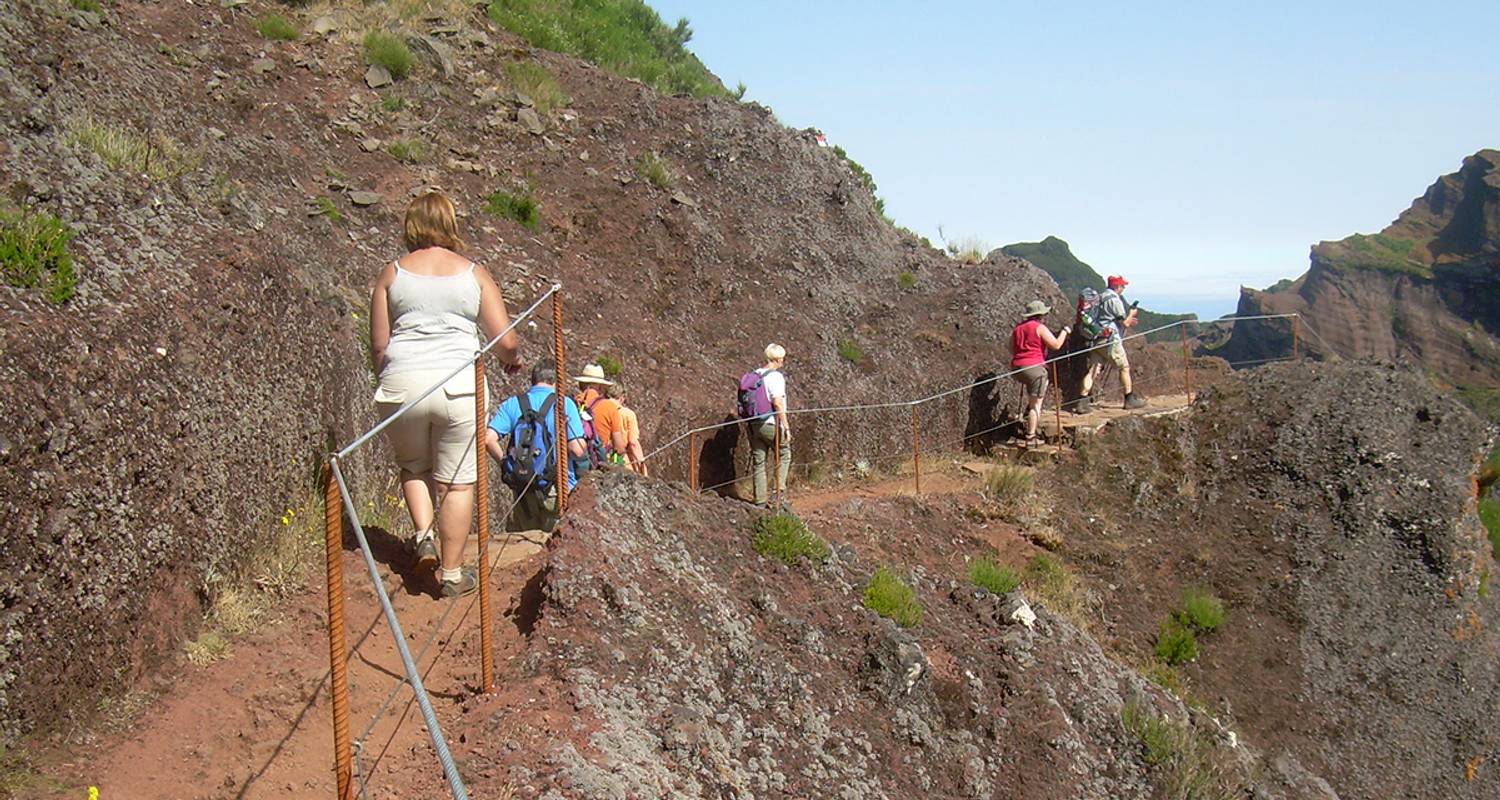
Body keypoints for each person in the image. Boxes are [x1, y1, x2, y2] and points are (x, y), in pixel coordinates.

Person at [369, 192, 523, 598]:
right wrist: (512, 359)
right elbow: (506, 339)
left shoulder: (392, 274)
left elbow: (380, 346)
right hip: (459, 386)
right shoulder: (474, 274)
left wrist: (392, 379)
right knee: (456, 483)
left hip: (403, 384)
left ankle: (423, 536)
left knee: (414, 465)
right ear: (450, 224)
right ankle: (453, 576)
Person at [485, 358, 588, 534]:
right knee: (553, 547)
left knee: (525, 546)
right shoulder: (564, 403)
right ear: (556, 381)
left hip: (522, 489)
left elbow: (488, 439)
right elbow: (576, 449)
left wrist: (504, 462)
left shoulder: (513, 404)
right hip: (557, 489)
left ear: (533, 379)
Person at [1079, 275, 1145, 411]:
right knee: (1124, 367)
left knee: (1093, 370)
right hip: (1110, 340)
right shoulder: (1114, 300)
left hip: (1097, 338)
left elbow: (1106, 318)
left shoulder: (1101, 297)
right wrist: (1132, 314)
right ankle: (1129, 399)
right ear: (1116, 286)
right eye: (1122, 286)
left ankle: (1082, 402)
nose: (1123, 288)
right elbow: (1125, 323)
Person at [1009, 300, 1070, 445]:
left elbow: (1011, 348)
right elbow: (1055, 345)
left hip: (1017, 367)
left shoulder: (1018, 329)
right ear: (1041, 315)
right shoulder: (1039, 327)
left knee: (1034, 395)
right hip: (1035, 368)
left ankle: (1028, 415)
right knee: (1036, 405)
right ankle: (1031, 436)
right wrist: (1065, 332)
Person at [744, 343, 791, 506]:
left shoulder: (755, 375)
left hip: (753, 424)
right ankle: (778, 493)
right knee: (784, 452)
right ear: (777, 359)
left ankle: (760, 502)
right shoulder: (775, 377)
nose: (783, 362)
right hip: (769, 423)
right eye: (782, 359)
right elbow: (778, 403)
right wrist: (786, 427)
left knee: (759, 461)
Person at [573, 364, 627, 467]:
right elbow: (619, 447)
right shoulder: (609, 407)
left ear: (581, 384)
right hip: (597, 463)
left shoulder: (572, 403)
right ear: (601, 386)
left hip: (573, 463)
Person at [605, 381, 648, 476]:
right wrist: (641, 463)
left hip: (604, 460)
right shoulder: (628, 414)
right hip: (624, 462)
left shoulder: (600, 410)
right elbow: (633, 443)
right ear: (622, 397)